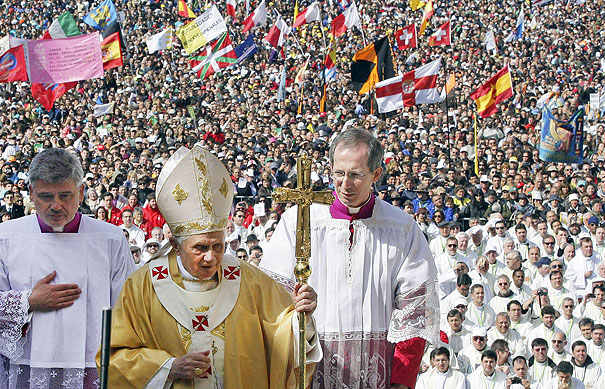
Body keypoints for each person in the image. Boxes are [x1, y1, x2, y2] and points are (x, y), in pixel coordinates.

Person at [102, 145, 322, 387]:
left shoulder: (247, 278)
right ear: (175, 244)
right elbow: (114, 358)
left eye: (218, 246)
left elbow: (281, 332)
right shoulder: (143, 286)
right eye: (200, 248)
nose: (211, 257)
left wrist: (302, 317)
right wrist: (167, 367)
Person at [261, 128, 438, 388]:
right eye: (339, 173)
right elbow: (270, 297)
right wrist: (299, 305)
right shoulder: (298, 221)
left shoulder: (401, 228)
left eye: (356, 175)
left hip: (379, 374)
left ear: (376, 174)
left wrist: (402, 379)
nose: (345, 184)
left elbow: (416, 310)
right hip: (311, 368)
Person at [0, 148, 135, 388]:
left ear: (81, 192)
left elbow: (129, 307)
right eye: (46, 196)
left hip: (93, 364)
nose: (56, 206)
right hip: (27, 363)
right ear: (31, 193)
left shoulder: (110, 239)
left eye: (65, 195)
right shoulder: (6, 238)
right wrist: (27, 301)